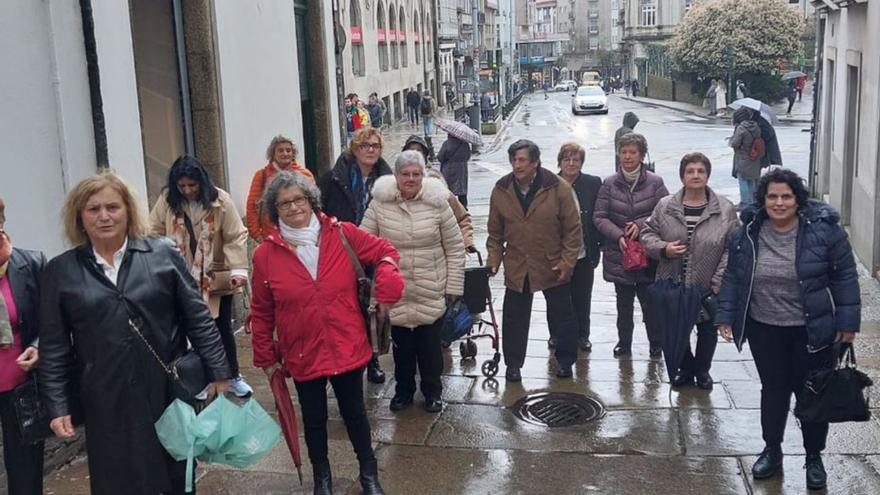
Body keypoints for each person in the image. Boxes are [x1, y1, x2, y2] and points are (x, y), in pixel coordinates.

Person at [40, 172, 231, 494]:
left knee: (175, 474)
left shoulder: (161, 253)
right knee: (117, 478)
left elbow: (198, 319)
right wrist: (57, 404)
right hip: (105, 394)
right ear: (79, 216)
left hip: (165, 389)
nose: (104, 216)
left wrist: (221, 374)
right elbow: (55, 345)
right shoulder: (61, 271)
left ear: (128, 210)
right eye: (93, 209)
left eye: (112, 207)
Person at [250, 172, 403, 495]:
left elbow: (385, 251)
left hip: (346, 342)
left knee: (355, 415)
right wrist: (265, 356)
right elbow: (262, 311)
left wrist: (387, 280)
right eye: (284, 203)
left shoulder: (342, 233)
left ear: (311, 200)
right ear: (275, 210)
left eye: (299, 199)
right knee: (315, 419)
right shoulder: (265, 255)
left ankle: (368, 474)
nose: (293, 207)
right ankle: (323, 478)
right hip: (302, 349)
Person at [716, 168, 860, 491]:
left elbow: (845, 276)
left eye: (786, 196)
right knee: (774, 390)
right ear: (763, 199)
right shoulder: (748, 232)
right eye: (772, 197)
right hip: (764, 327)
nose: (779, 203)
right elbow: (734, 277)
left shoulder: (824, 231)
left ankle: (813, 456)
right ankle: (772, 449)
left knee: (811, 393)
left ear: (798, 199)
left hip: (811, 329)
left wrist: (848, 323)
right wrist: (725, 316)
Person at [361, 150, 465, 413]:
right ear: (395, 176)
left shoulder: (438, 202)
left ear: (424, 175)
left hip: (431, 286)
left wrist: (454, 285)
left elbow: (454, 247)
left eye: (416, 174)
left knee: (430, 349)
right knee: (402, 349)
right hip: (395, 291)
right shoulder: (379, 204)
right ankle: (403, 391)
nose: (410, 179)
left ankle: (432, 392)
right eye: (405, 174)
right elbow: (363, 241)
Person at [149, 155, 253, 399]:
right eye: (182, 186)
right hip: (180, 277)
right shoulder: (167, 201)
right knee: (188, 330)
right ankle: (202, 377)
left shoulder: (220, 200)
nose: (187, 190)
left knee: (221, 329)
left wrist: (238, 269)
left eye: (192, 185)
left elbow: (235, 235)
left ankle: (233, 375)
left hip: (214, 278)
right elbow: (152, 230)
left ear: (201, 182)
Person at [640, 153, 738, 389]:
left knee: (707, 330)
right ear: (682, 176)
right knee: (675, 328)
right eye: (690, 171)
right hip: (672, 281)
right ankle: (685, 369)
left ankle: (702, 370)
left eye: (700, 171)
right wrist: (664, 248)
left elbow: (733, 247)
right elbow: (647, 234)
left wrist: (718, 280)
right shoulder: (666, 206)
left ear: (707, 175)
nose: (695, 175)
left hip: (706, 284)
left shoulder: (724, 209)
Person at [487, 140, 582, 381]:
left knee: (563, 315)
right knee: (514, 317)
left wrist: (567, 262)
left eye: (522, 160)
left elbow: (573, 230)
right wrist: (494, 258)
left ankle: (565, 361)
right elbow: (495, 232)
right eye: (513, 160)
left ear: (535, 163)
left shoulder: (557, 187)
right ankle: (513, 364)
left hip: (552, 263)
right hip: (518, 263)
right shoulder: (501, 189)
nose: (516, 165)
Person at [320, 127, 393, 384]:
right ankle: (347, 359)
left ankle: (372, 360)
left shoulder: (388, 179)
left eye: (375, 145)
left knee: (371, 308)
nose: (371, 150)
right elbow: (320, 213)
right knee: (347, 308)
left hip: (373, 249)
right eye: (365, 146)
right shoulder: (333, 179)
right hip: (343, 253)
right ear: (355, 149)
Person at [593, 133, 668, 358]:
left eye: (632, 152)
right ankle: (624, 342)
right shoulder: (609, 184)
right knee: (623, 305)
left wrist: (640, 224)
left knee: (650, 304)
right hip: (620, 254)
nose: (627, 157)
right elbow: (599, 216)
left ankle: (656, 342)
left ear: (642, 156)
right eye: (624, 152)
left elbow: (665, 211)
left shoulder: (655, 183)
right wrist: (618, 236)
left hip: (648, 254)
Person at [0, 197, 45, 495]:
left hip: (20, 386)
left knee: (25, 474)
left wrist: (40, 347)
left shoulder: (31, 264)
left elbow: (52, 321)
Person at [554, 144, 602, 352]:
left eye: (576, 160)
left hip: (584, 252)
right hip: (556, 254)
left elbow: (599, 214)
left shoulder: (592, 183)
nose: (571, 163)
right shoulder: (550, 184)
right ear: (560, 162)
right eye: (567, 159)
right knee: (557, 298)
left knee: (582, 297)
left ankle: (583, 335)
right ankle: (556, 335)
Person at [402, 135, 475, 251]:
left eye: (419, 151)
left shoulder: (436, 181)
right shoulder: (394, 185)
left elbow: (461, 217)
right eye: (411, 151)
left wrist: (467, 241)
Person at [246, 135, 315, 243]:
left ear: (293, 154)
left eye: (288, 150)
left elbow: (314, 205)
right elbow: (251, 207)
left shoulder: (305, 175)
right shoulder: (261, 176)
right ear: (273, 154)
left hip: (300, 235)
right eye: (280, 150)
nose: (285, 153)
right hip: (271, 237)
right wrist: (257, 234)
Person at [729, 108, 763, 209]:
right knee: (751, 180)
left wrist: (732, 139)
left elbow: (735, 143)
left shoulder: (741, 128)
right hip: (754, 158)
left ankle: (745, 202)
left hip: (743, 159)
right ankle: (752, 201)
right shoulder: (756, 126)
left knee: (743, 180)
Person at [437, 134, 471, 208]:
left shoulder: (447, 143)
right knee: (462, 189)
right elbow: (468, 156)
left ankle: (450, 207)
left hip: (449, 170)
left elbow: (440, 157)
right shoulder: (465, 144)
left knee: (449, 189)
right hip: (462, 170)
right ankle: (463, 207)